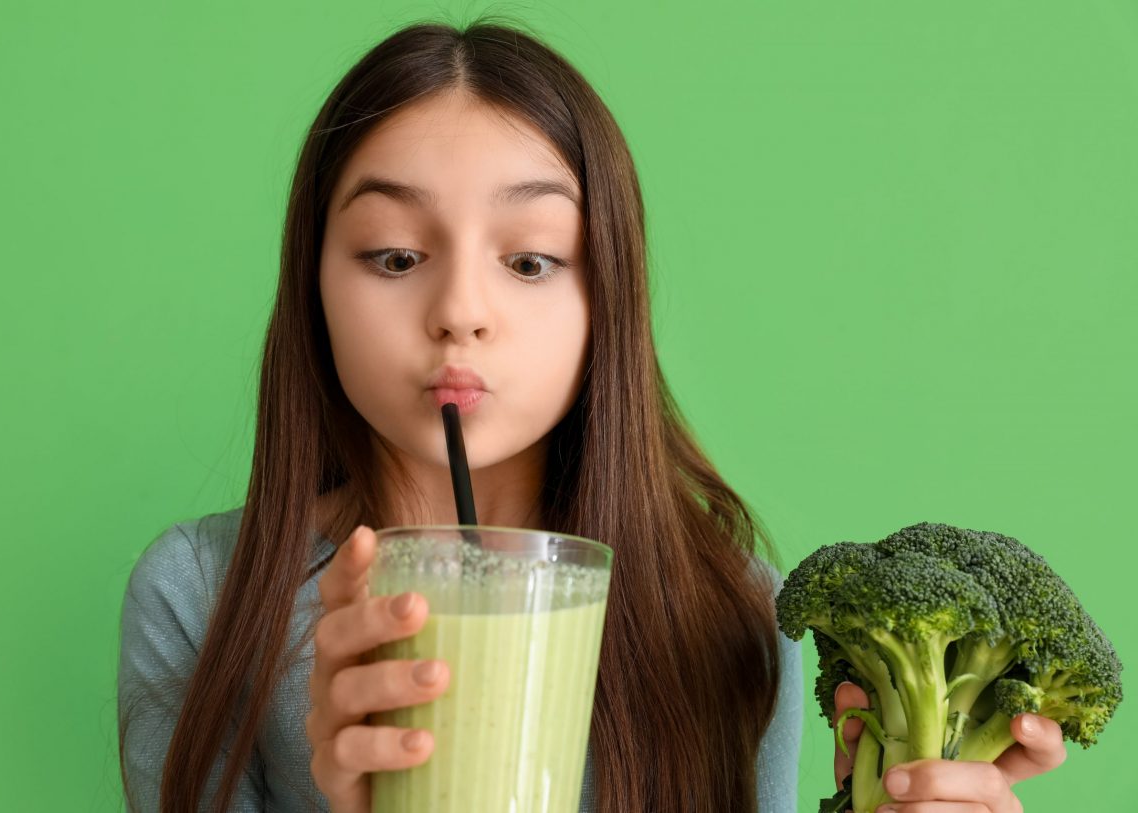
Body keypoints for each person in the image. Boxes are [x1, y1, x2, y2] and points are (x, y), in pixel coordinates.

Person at [116, 17, 1067, 813]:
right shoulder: (203, 596)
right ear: (313, 282)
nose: (460, 311)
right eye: (396, 255)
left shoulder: (728, 605)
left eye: (529, 261)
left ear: (607, 297)